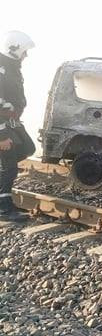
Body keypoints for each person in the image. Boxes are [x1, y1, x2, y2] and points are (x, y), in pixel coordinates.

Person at [0, 31, 36, 221]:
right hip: (2, 126)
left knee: (28, 148)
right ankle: (3, 209)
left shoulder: (12, 67)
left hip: (12, 123)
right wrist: (2, 136)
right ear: (14, 49)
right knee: (9, 166)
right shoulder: (2, 68)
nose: (26, 55)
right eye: (24, 51)